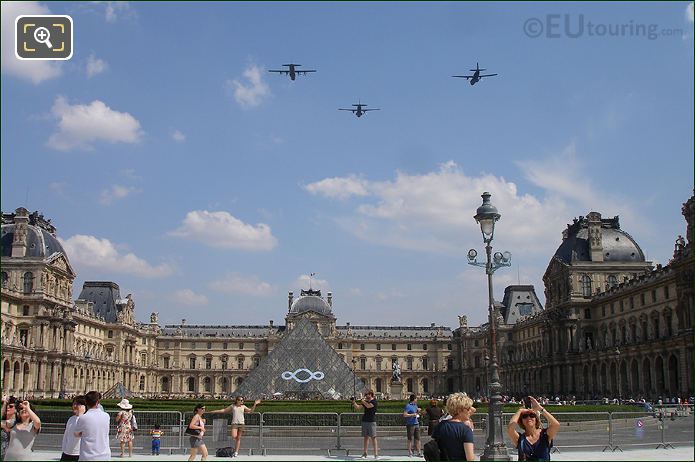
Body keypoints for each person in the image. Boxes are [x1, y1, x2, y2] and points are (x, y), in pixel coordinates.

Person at [506, 396, 560, 461]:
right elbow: (510, 429)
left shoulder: (545, 434)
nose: (528, 418)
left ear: (536, 419)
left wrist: (540, 409)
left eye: (532, 415)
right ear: (521, 421)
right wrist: (519, 411)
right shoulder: (520, 438)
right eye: (525, 416)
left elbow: (556, 425)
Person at [431, 392, 475, 461]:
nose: (470, 411)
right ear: (460, 410)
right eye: (468, 408)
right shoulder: (466, 430)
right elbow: (470, 458)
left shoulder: (440, 426)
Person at [74, 391, 111, 461]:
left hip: (88, 456)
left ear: (86, 403)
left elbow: (76, 434)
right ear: (98, 402)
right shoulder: (106, 416)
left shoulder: (83, 418)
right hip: (105, 456)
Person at [352, 390, 378, 459]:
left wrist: (362, 400)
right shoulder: (365, 401)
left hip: (371, 421)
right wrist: (354, 402)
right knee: (365, 438)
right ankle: (365, 453)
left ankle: (376, 454)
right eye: (365, 394)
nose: (366, 395)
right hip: (365, 421)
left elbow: (368, 406)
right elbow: (358, 408)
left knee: (373, 437)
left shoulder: (374, 401)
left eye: (367, 394)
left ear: (371, 394)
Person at [60, 395, 86, 461]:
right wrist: (64, 449)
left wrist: (81, 415)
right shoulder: (71, 419)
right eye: (73, 404)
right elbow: (66, 435)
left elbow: (78, 433)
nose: (74, 406)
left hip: (79, 453)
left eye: (77, 404)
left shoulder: (85, 419)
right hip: (67, 452)